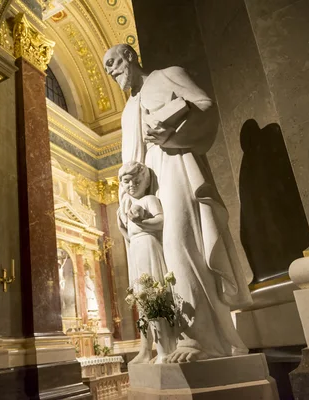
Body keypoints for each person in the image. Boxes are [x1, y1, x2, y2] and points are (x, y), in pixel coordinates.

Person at [104, 44, 252, 362]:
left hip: (174, 163)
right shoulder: (128, 110)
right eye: (106, 68)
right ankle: (168, 341)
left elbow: (206, 107)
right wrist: (126, 200)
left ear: (130, 56)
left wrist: (168, 133)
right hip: (145, 185)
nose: (110, 70)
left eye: (113, 62)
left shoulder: (168, 75)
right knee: (156, 265)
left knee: (181, 244)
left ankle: (204, 341)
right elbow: (128, 160)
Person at [117, 161, 170, 363]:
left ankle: (164, 349)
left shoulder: (149, 199)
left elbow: (161, 220)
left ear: (144, 179)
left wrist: (141, 222)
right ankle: (145, 349)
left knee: (155, 297)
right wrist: (122, 224)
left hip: (149, 246)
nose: (131, 185)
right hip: (136, 250)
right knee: (141, 301)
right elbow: (129, 236)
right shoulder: (128, 206)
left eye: (135, 180)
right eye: (126, 181)